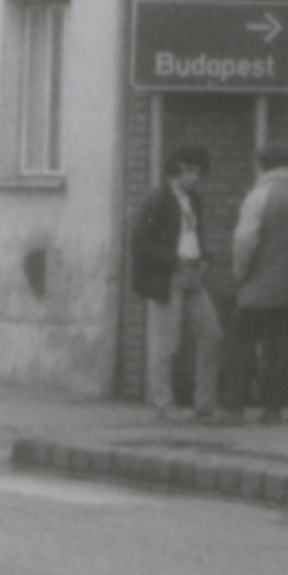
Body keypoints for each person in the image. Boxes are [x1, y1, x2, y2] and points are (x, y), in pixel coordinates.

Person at [220, 137, 288, 426]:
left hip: (256, 286)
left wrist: (240, 272)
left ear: (261, 164)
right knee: (281, 348)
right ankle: (273, 410)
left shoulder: (259, 196)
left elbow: (245, 240)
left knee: (242, 343)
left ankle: (233, 408)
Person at [128, 144, 222, 421]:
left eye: (199, 172)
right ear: (177, 169)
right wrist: (174, 260)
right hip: (168, 277)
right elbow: (138, 243)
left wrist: (205, 257)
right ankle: (163, 405)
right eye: (192, 171)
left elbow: (195, 235)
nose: (197, 177)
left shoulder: (194, 200)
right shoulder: (156, 200)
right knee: (165, 342)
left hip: (194, 274)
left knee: (212, 334)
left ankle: (204, 404)